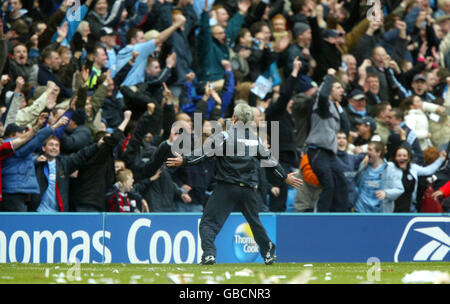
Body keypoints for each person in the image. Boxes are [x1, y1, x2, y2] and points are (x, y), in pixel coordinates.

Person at [166, 103, 302, 265]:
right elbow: (271, 161)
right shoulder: (256, 140)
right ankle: (268, 250)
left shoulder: (224, 136)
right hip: (249, 188)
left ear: (235, 119)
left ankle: (209, 254)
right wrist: (285, 176)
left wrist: (184, 160)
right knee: (254, 222)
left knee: (208, 223)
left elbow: (203, 152)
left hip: (227, 186)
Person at [305, 68, 350, 212]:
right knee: (329, 185)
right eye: (338, 87)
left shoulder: (334, 107)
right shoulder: (322, 104)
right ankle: (321, 218)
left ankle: (340, 216)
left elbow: (346, 128)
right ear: (329, 89)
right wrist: (330, 76)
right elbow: (323, 95)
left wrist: (340, 108)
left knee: (342, 183)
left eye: (342, 88)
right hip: (317, 151)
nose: (341, 90)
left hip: (330, 154)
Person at [391, 146, 446, 212]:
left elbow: (428, 170)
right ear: (395, 157)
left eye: (404, 156)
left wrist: (440, 159)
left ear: (408, 158)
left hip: (410, 207)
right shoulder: (390, 168)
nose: (402, 158)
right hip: (393, 206)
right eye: (399, 155)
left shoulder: (413, 168)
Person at [354, 141, 404, 213]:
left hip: (379, 211)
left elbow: (399, 189)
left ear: (378, 152)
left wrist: (386, 193)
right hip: (361, 209)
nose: (367, 152)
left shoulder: (389, 169)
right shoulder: (363, 166)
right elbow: (355, 184)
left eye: (370, 150)